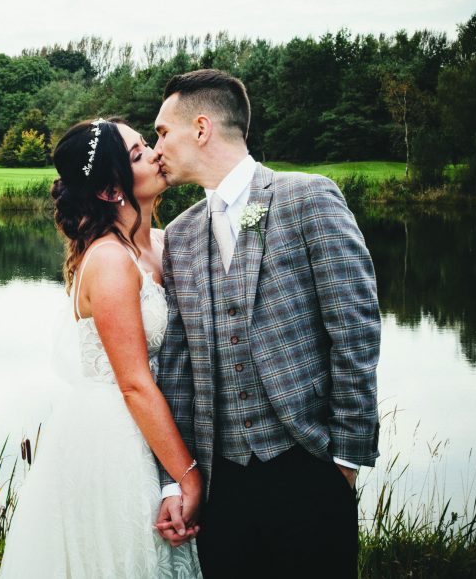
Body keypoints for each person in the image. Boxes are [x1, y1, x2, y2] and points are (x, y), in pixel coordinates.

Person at [152, 69, 380, 578]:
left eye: (163, 131)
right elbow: (177, 371)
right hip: (221, 485)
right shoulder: (182, 235)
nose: (156, 145)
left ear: (202, 127)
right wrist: (177, 480)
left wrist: (345, 459)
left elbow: (356, 329)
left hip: (311, 466)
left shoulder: (309, 199)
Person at [0, 118, 202, 578]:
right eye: (137, 155)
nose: (155, 154)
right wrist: (188, 477)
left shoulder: (164, 244)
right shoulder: (110, 260)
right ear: (111, 191)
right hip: (113, 440)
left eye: (148, 144)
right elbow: (132, 382)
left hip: (152, 428)